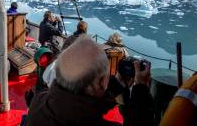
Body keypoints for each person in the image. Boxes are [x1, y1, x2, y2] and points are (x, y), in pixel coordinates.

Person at [26, 36, 154, 126]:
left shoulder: (38, 101)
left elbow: (83, 102)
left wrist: (118, 83)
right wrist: (141, 89)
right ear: (102, 82)